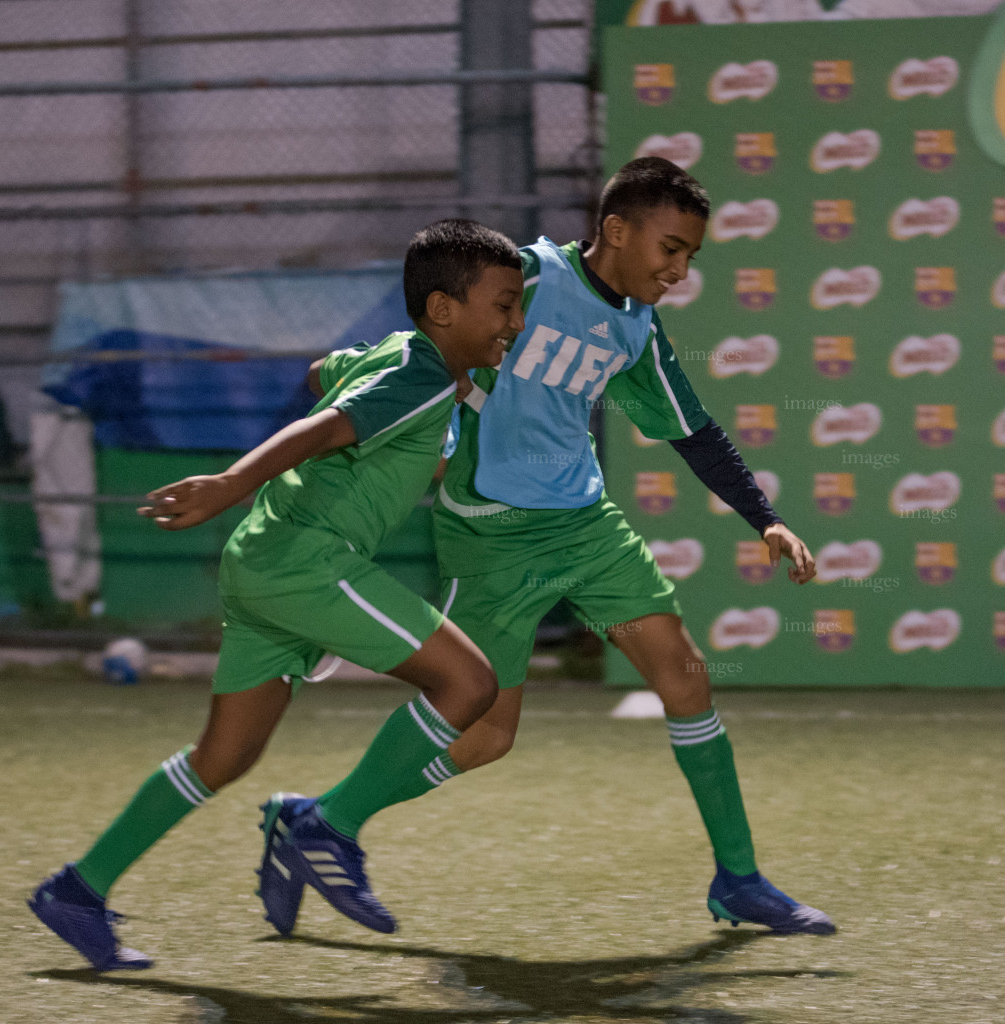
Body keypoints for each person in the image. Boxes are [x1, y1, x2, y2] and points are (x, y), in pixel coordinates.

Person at [258, 157, 835, 937]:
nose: (680, 268)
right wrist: (352, 369)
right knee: (486, 731)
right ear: (617, 231)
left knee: (687, 680)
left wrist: (763, 516)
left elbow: (693, 429)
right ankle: (322, 821)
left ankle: (739, 879)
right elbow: (431, 333)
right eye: (670, 248)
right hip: (490, 537)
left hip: (588, 529)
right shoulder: (523, 277)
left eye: (691, 254)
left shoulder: (635, 327)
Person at [28, 219, 525, 971]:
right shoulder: (420, 376)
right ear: (444, 310)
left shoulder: (401, 358)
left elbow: (328, 371)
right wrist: (232, 481)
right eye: (504, 307)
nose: (514, 323)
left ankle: (76, 890)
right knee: (471, 681)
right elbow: (326, 421)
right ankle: (325, 826)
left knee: (222, 757)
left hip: (261, 560)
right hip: (307, 562)